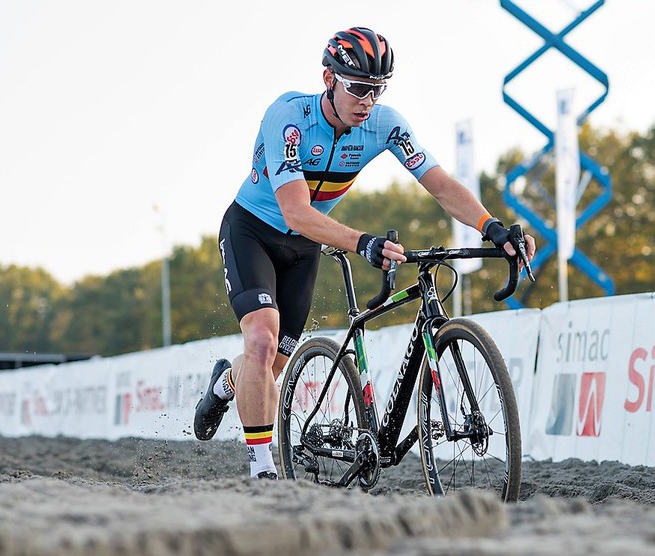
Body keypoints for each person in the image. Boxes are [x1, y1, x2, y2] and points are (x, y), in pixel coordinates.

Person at [194, 27, 536, 479]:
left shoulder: (385, 124)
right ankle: (263, 469)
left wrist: (490, 227)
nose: (367, 101)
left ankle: (224, 385)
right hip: (253, 230)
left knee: (270, 367)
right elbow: (295, 212)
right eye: (357, 88)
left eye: (377, 89)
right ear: (328, 79)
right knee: (261, 340)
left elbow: (441, 185)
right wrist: (363, 242)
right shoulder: (288, 118)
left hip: (305, 245)